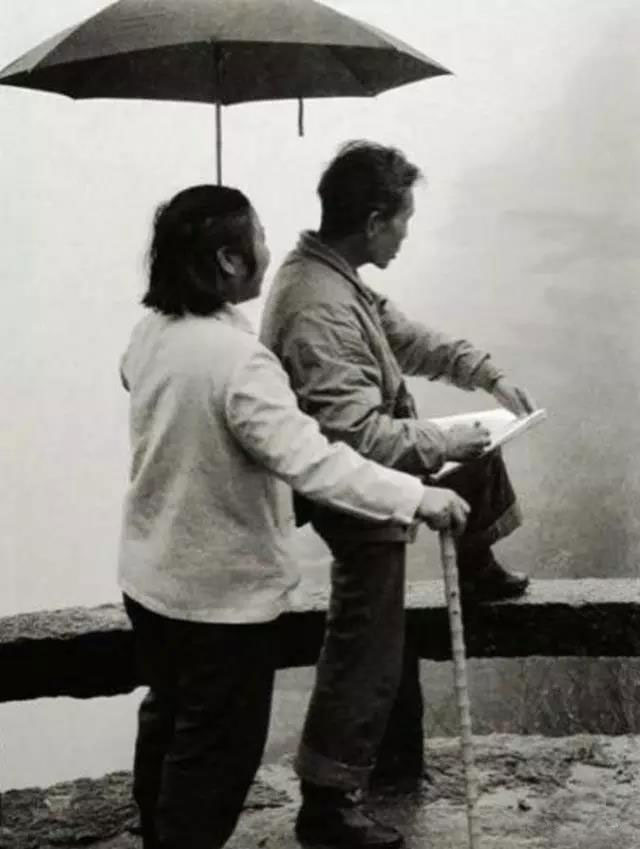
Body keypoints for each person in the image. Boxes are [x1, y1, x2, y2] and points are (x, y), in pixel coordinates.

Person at [117, 184, 470, 849]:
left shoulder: (151, 334)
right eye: (256, 237)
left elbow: (133, 377)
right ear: (228, 261)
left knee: (169, 721)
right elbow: (314, 462)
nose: (267, 247)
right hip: (221, 602)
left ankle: (156, 832)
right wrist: (415, 496)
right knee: (215, 760)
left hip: (150, 584)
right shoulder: (240, 362)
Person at [260, 141, 536, 849]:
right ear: (375, 221)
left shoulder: (336, 275)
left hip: (372, 464)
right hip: (353, 494)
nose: (408, 233)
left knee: (477, 450)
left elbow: (407, 338)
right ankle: (327, 802)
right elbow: (356, 440)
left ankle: (475, 564)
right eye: (403, 219)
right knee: (367, 642)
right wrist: (446, 439)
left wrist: (486, 374)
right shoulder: (318, 309)